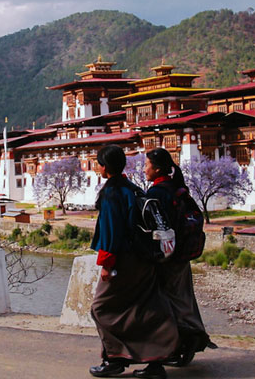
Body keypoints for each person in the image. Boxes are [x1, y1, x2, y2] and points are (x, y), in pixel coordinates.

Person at [89, 145, 179, 379]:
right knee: (144, 309)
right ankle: (155, 362)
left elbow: (111, 231)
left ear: (105, 167)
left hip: (125, 262)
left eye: (98, 163)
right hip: (145, 259)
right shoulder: (133, 188)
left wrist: (107, 264)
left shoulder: (112, 192)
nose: (97, 167)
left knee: (101, 308)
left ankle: (115, 358)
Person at [144, 148, 213, 366]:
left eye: (146, 165)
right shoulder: (178, 188)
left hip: (167, 258)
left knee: (165, 302)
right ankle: (190, 339)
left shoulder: (157, 193)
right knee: (184, 299)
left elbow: (155, 227)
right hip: (182, 255)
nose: (144, 169)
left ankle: (181, 344)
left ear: (156, 169)